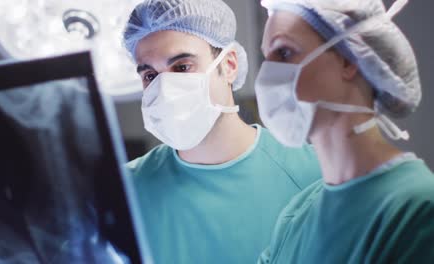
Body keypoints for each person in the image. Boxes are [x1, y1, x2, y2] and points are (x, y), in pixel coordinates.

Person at [122, 0, 321, 263]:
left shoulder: (316, 175)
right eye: (149, 75)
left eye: (182, 67)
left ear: (228, 65)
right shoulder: (126, 192)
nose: (165, 88)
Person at [255, 0, 434, 263]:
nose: (266, 76)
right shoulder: (297, 215)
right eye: (266, 56)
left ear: (349, 59)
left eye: (283, 53)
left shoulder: (416, 209)